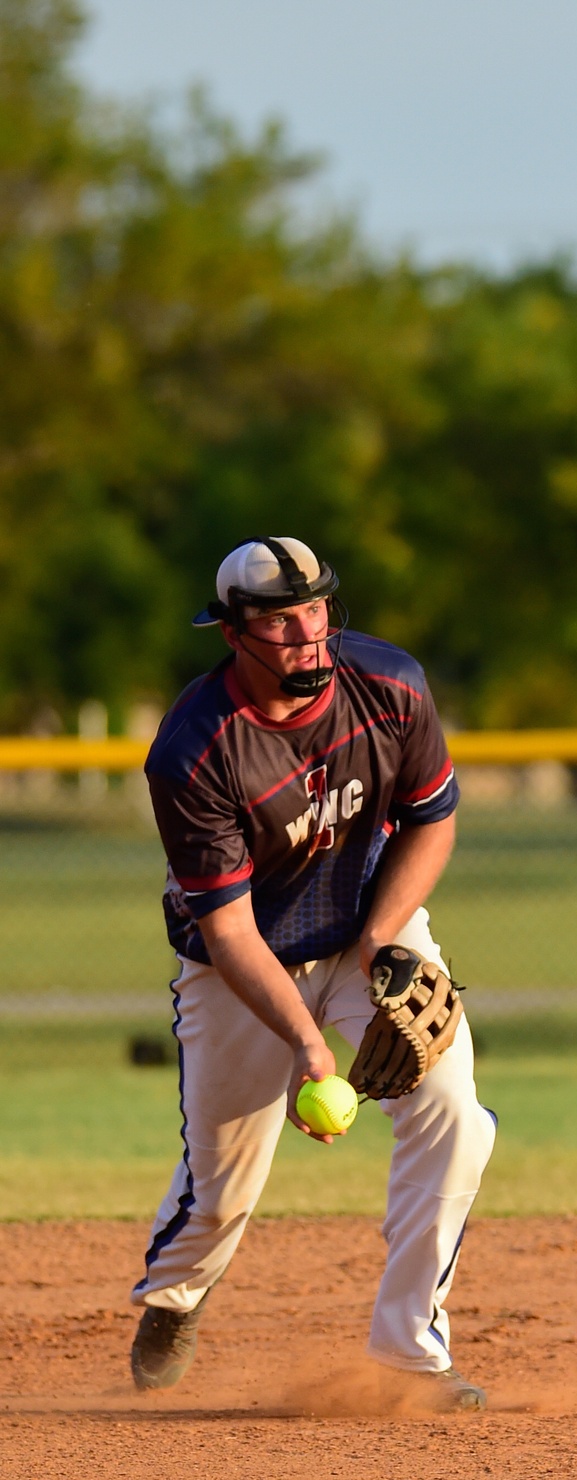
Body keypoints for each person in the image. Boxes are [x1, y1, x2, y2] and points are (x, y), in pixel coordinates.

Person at [128, 535, 497, 1410]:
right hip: (244, 970)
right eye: (280, 620)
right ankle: (176, 1295)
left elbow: (431, 820)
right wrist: (305, 1044)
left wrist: (380, 937)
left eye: (317, 611)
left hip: (369, 936)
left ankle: (410, 1354)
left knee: (456, 1118)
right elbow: (226, 929)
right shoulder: (195, 749)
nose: (307, 635)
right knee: (221, 1195)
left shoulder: (390, 686)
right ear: (234, 634)